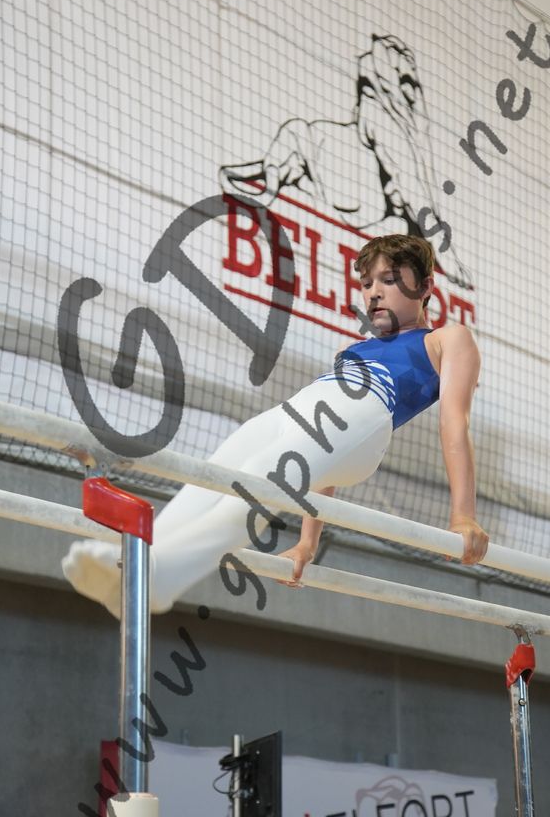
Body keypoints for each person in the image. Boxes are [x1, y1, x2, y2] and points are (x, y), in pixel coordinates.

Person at [62, 233, 488, 616]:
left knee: (256, 482)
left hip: (367, 416)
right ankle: (133, 558)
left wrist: (463, 516)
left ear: (426, 288)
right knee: (210, 479)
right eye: (366, 283)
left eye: (389, 280)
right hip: (299, 411)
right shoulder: (355, 349)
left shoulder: (447, 339)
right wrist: (307, 543)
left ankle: (163, 576)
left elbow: (454, 424)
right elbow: (324, 468)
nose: (373, 292)